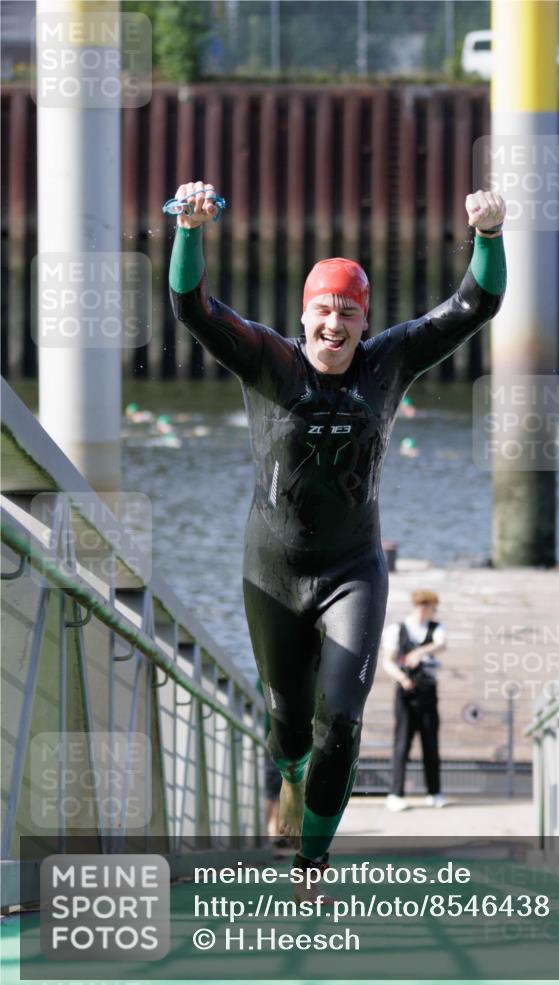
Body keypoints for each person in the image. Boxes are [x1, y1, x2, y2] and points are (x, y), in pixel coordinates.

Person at [168, 179, 506, 899]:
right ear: (303, 315)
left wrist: (488, 236)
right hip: (272, 569)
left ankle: (311, 868)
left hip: (353, 568)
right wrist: (190, 232)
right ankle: (287, 783)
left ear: (363, 320)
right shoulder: (267, 360)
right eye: (322, 309)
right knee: (289, 728)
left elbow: (475, 305)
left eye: (348, 311)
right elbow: (190, 307)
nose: (334, 322)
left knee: (342, 723)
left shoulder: (389, 361)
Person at [382, 589, 448, 811]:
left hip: (428, 692)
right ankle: (396, 793)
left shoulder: (435, 629)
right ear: (423, 607)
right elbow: (387, 661)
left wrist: (419, 652)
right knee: (402, 744)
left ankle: (434, 792)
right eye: (430, 608)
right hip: (406, 693)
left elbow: (441, 644)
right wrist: (402, 678)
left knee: (431, 744)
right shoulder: (397, 629)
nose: (432, 612)